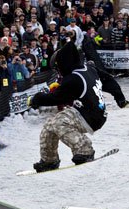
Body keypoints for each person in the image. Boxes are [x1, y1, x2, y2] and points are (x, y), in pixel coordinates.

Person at [28, 41, 107, 172]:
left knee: (59, 123)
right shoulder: (79, 71)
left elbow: (58, 98)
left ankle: (84, 150)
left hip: (92, 115)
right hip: (84, 111)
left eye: (57, 68)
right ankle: (49, 160)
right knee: (49, 126)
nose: (58, 72)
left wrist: (37, 99)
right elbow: (64, 93)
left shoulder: (74, 77)